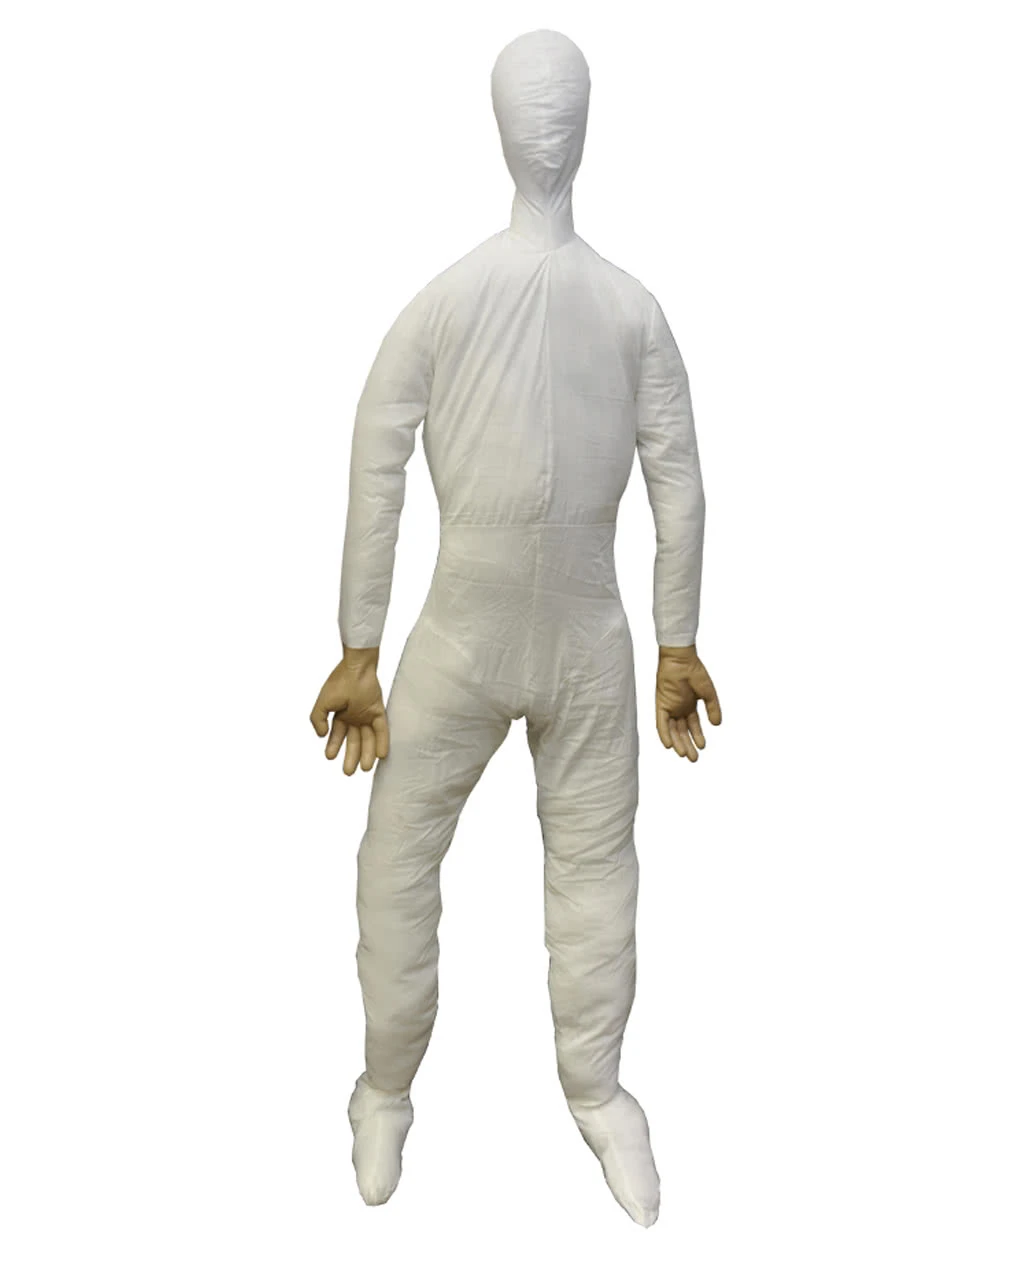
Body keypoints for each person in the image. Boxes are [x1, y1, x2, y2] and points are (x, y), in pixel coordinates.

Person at [310, 28, 721, 1227]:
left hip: (507, 639)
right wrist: (357, 642)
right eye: (538, 109)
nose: (544, 127)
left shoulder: (472, 305)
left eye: (551, 108)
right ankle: (391, 1087)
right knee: (484, 861)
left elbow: (379, 460)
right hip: (552, 637)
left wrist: (363, 642)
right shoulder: (613, 308)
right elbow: (677, 482)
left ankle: (585, 1089)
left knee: (511, 864)